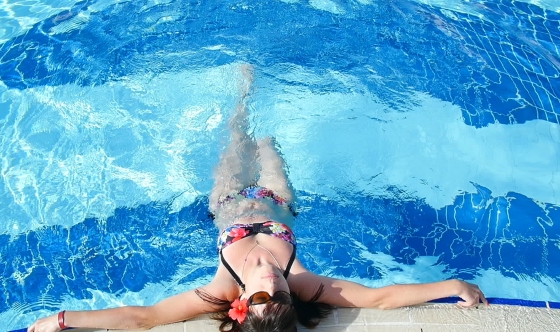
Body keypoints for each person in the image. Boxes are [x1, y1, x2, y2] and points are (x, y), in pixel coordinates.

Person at [28, 64, 488, 332]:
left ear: (242, 302)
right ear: (291, 297)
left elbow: (143, 316)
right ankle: (272, 95)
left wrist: (65, 319)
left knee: (236, 134)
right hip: (277, 201)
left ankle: (243, 92)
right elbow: (381, 297)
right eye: (281, 293)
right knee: (266, 140)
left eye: (262, 292)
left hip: (226, 202)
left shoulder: (219, 289)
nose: (271, 277)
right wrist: (451, 286)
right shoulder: (306, 282)